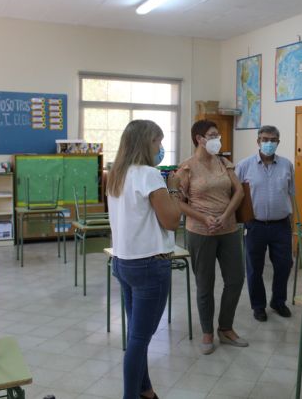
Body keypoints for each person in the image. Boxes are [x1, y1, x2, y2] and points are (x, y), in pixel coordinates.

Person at [107, 120, 182, 399]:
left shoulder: (116, 174)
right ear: (145, 143)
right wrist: (172, 187)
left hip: (124, 262)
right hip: (150, 265)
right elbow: (172, 221)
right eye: (157, 142)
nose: (160, 148)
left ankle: (145, 390)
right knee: (140, 339)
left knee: (136, 334)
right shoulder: (150, 174)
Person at [176, 119, 247, 355]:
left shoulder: (224, 162)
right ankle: (207, 330)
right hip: (200, 232)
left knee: (235, 279)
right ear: (200, 139)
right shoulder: (186, 167)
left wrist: (226, 215)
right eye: (213, 135)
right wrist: (205, 218)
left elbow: (238, 191)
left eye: (218, 135)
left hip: (228, 229)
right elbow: (178, 202)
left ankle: (225, 328)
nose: (218, 139)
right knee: (204, 283)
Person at [236, 125, 294, 322]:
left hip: (281, 225)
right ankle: (258, 306)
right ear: (258, 141)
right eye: (265, 139)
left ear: (279, 141)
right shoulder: (244, 166)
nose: (269, 143)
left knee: (284, 265)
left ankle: (278, 301)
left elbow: (291, 194)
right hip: (255, 225)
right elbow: (236, 196)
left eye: (273, 139)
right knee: (254, 268)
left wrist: (293, 224)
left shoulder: (287, 165)